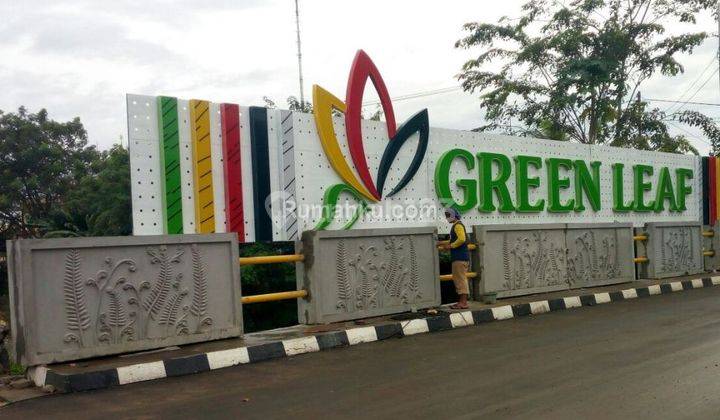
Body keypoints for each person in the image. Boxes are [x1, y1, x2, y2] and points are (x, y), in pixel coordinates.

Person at [439, 208, 470, 309]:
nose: (447, 217)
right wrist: (442, 243)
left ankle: (463, 302)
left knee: (460, 280)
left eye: (448, 215)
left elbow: (461, 239)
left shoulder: (457, 226)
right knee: (459, 279)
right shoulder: (456, 225)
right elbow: (454, 239)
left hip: (459, 258)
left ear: (454, 215)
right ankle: (462, 301)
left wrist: (451, 246)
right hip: (460, 257)